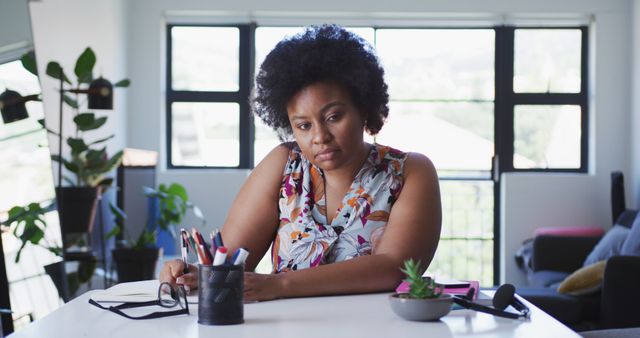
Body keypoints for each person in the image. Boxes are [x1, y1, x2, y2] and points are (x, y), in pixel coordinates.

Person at [160, 24, 442, 302]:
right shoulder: (283, 165)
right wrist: (196, 274)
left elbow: (394, 267)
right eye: (304, 125)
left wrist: (279, 284)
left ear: (364, 108)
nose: (320, 137)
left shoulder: (410, 171)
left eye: (333, 117)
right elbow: (230, 264)